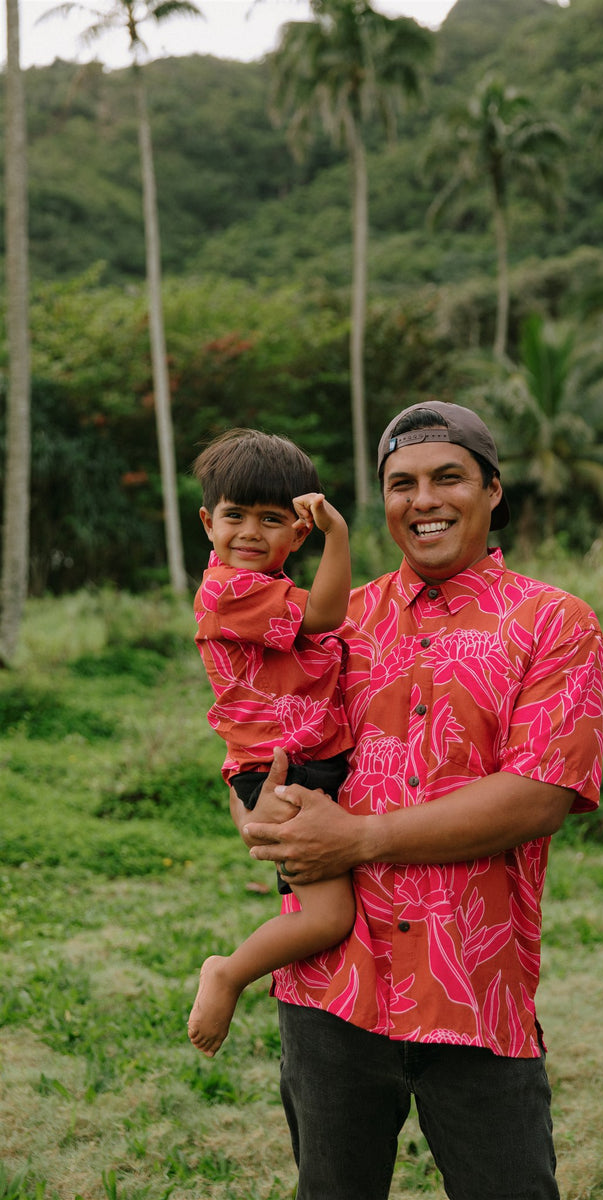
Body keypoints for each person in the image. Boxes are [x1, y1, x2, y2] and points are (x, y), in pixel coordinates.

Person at [236, 402, 603, 1199]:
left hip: (477, 989)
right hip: (330, 987)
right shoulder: (334, 621)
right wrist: (253, 812)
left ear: (493, 490)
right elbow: (259, 728)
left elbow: (539, 796)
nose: (424, 499)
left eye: (448, 477)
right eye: (401, 483)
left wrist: (359, 838)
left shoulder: (554, 623)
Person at [187, 428, 355, 1058]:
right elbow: (328, 614)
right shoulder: (230, 590)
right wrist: (339, 534)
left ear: (295, 533)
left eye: (270, 519)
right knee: (327, 916)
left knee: (329, 909)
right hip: (282, 773)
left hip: (301, 767)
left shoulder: (270, 589)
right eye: (235, 516)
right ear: (208, 523)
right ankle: (227, 972)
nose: (250, 533)